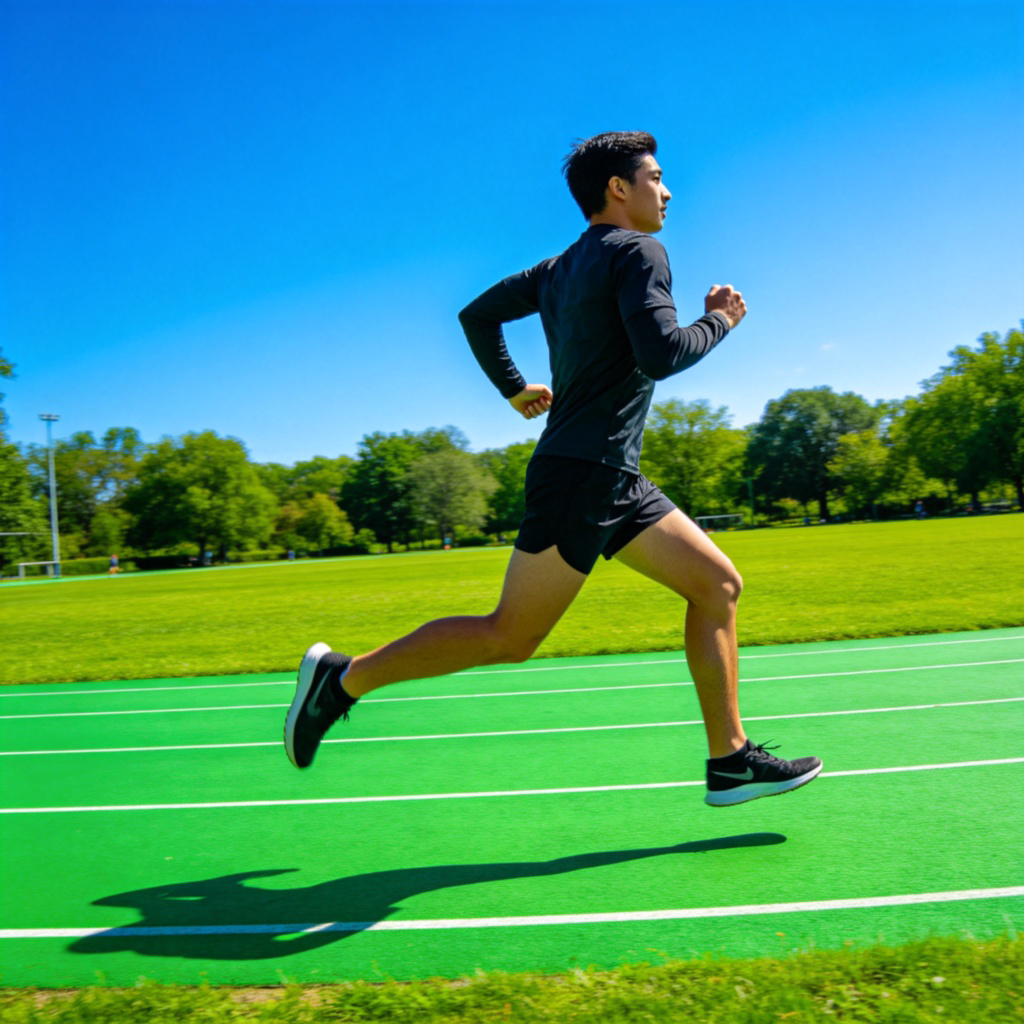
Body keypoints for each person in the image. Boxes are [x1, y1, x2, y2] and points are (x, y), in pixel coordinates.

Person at [284, 132, 821, 807]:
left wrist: (513, 390)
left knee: (717, 585)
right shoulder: (640, 251)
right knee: (510, 635)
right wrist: (720, 321)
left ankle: (731, 759)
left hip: (610, 474)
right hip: (582, 474)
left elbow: (476, 316)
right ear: (618, 189)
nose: (668, 190)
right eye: (655, 177)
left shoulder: (557, 269)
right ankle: (342, 680)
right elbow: (659, 354)